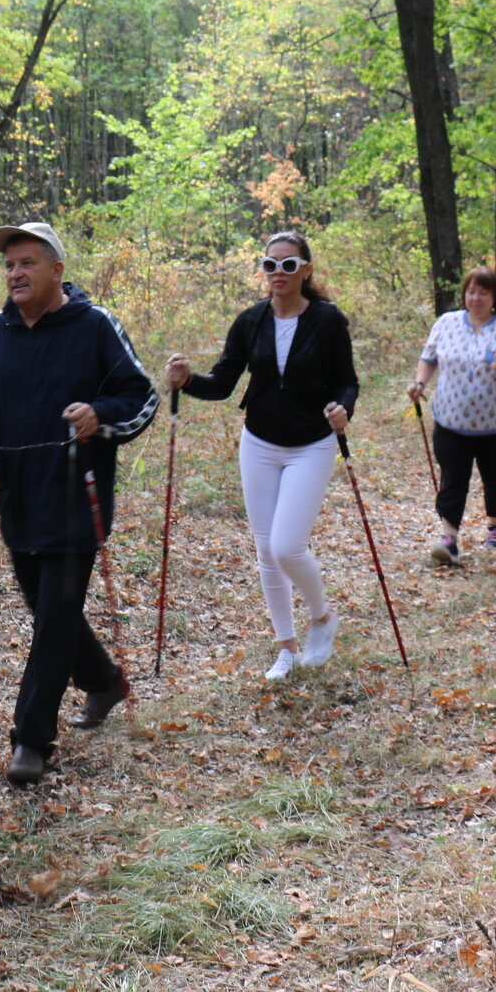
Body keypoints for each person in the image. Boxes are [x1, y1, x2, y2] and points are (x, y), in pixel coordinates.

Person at [0, 221, 157, 787]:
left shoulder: (94, 326)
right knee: (49, 612)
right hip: (20, 501)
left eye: (27, 263)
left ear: (57, 270)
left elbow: (142, 395)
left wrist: (99, 416)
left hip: (77, 500)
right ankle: (104, 680)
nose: (15, 273)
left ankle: (31, 740)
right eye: (9, 265)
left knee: (54, 620)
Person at [165, 231, 357, 681]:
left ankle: (323, 616)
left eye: (288, 265)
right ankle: (286, 648)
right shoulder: (250, 321)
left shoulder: (328, 322)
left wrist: (344, 407)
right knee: (266, 551)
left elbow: (347, 380)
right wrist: (188, 379)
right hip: (260, 444)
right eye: (270, 265)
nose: (278, 274)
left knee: (286, 546)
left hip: (311, 443)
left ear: (306, 271)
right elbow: (223, 384)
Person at [408, 267, 496, 565]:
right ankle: (448, 539)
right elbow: (428, 358)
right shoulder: (446, 323)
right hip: (451, 419)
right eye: (471, 292)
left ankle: (495, 527)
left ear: (494, 297)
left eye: (483, 292)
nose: (476, 298)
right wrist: (419, 383)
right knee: (453, 477)